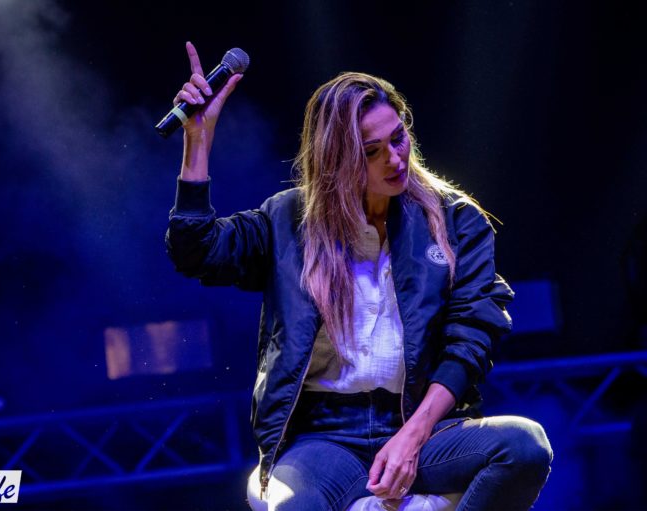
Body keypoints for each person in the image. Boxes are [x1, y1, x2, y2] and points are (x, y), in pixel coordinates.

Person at [165, 41, 553, 511]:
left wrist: (413, 436)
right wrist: (198, 140)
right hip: (325, 438)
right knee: (294, 507)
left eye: (399, 137)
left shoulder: (455, 220)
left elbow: (472, 336)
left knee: (524, 446)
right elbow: (197, 252)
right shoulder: (288, 220)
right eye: (372, 151)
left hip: (423, 426)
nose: (395, 158)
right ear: (337, 160)